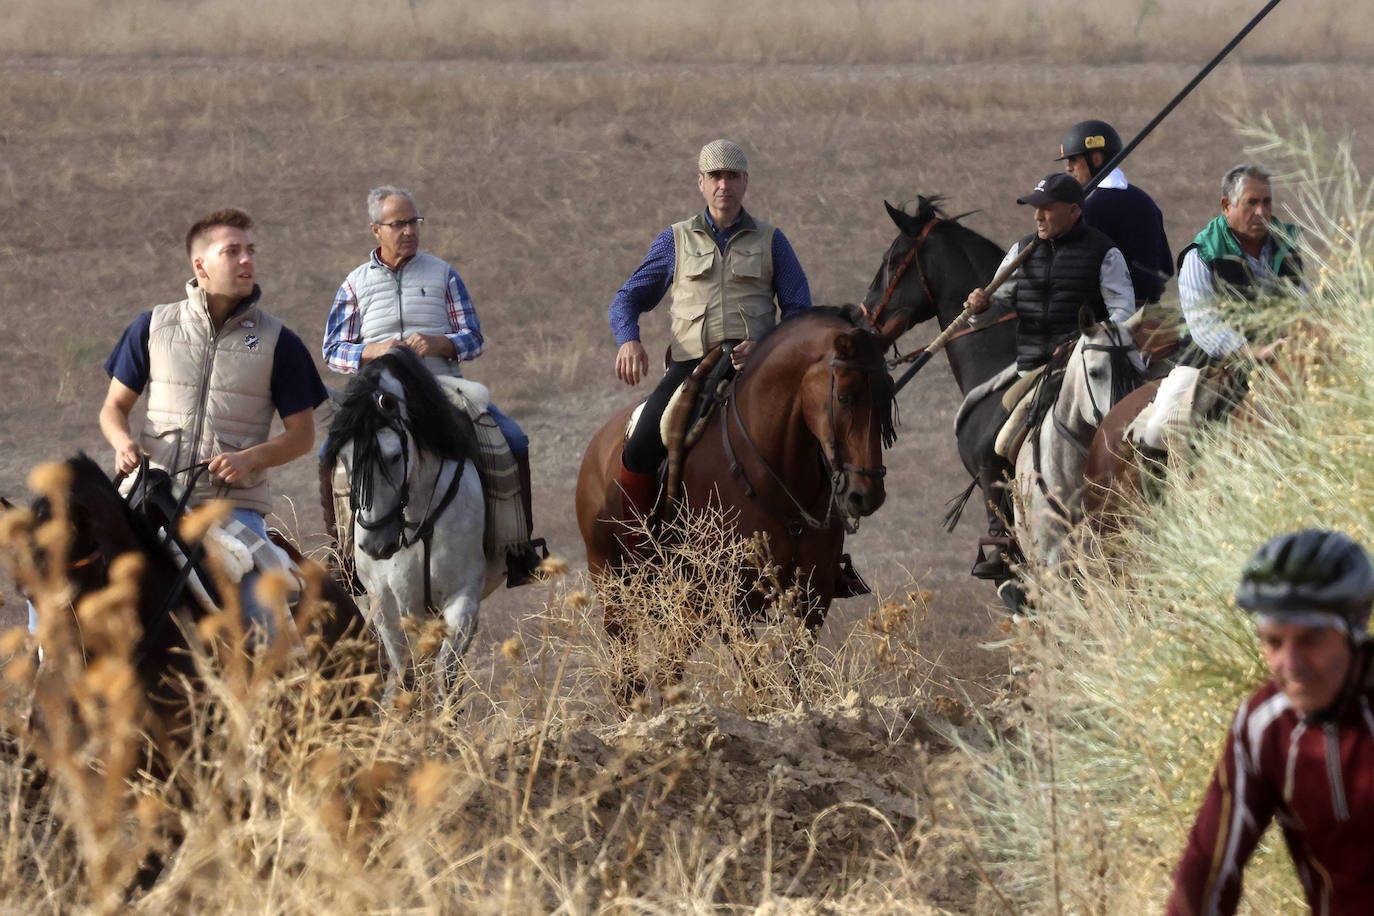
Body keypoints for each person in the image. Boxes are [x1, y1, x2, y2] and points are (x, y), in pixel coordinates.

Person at [607, 139, 866, 595]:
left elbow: (799, 311)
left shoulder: (772, 240)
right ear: (701, 184)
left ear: (745, 182)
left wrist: (764, 346)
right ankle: (642, 549)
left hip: (760, 369)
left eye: (733, 176)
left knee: (823, 433)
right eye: (715, 177)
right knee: (643, 442)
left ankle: (830, 553)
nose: (724, 185)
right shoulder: (675, 239)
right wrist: (628, 339)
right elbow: (627, 297)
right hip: (693, 366)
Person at [98, 207, 327, 643]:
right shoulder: (152, 327)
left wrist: (249, 459)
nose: (247, 261)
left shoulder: (281, 342)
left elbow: (302, 436)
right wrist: (123, 442)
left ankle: (282, 696)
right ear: (200, 264)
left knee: (263, 616)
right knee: (69, 572)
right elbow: (113, 409)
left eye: (250, 251)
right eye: (233, 251)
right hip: (152, 495)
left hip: (231, 509)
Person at [322, 186, 546, 586]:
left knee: (513, 439)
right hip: (379, 395)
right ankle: (343, 559)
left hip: (442, 387)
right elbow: (332, 350)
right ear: (376, 229)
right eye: (398, 224)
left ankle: (518, 550)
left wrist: (440, 343)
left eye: (414, 222)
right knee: (329, 454)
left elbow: (473, 338)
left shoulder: (443, 274)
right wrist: (371, 351)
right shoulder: (354, 284)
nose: (408, 231)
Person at [1168, 529, 1374, 915]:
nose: (1291, 667)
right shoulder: (1263, 726)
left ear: (1353, 631)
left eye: (1311, 640)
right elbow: (1207, 870)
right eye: (1273, 642)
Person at [962, 172, 1137, 579]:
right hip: (1032, 368)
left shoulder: (1104, 253)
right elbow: (992, 300)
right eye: (1034, 208)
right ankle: (1002, 537)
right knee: (994, 440)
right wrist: (978, 301)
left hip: (1080, 365)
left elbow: (1123, 314)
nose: (1038, 216)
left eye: (1046, 208)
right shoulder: (1022, 251)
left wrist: (1087, 341)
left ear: (1073, 211)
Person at [1139, 164, 1302, 453]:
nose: (1262, 212)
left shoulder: (1286, 245)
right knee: (1158, 429)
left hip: (1282, 352)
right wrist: (1253, 351)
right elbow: (1204, 326)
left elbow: (1302, 300)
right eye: (1251, 203)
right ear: (1227, 206)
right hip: (1210, 361)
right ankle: (1156, 496)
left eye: (1266, 202)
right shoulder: (1202, 255)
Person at [1056, 119, 1173, 304]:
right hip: (1152, 313)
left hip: (1109, 317)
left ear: (1096, 159)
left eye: (1073, 160)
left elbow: (1075, 276)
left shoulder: (1090, 207)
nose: (1068, 168)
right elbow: (1166, 268)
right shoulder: (1145, 200)